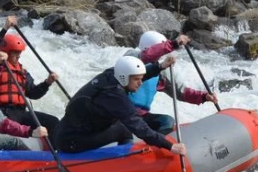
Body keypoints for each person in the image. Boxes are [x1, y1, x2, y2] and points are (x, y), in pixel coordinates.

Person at [52, 55, 188, 156]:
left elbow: (135, 75)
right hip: (71, 141)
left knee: (118, 122)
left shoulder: (111, 74)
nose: (140, 84)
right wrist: (170, 146)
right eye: (137, 80)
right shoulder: (116, 97)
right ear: (124, 78)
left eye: (140, 79)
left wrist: (159, 67)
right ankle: (125, 163)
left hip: (64, 130)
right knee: (125, 130)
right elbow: (139, 127)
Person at [123, 31, 218, 134]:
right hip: (120, 114)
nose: (160, 57)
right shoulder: (130, 58)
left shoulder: (160, 72)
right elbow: (147, 55)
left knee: (167, 121)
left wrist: (204, 96)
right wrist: (173, 44)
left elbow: (182, 93)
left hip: (141, 116)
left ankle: (159, 147)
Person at [0, 15, 61, 132]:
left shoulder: (22, 72)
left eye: (19, 53)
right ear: (6, 52)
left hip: (20, 112)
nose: (18, 55)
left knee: (53, 122)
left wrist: (47, 83)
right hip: (2, 113)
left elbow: (33, 94)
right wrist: (5, 28)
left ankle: (56, 148)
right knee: (12, 123)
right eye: (15, 53)